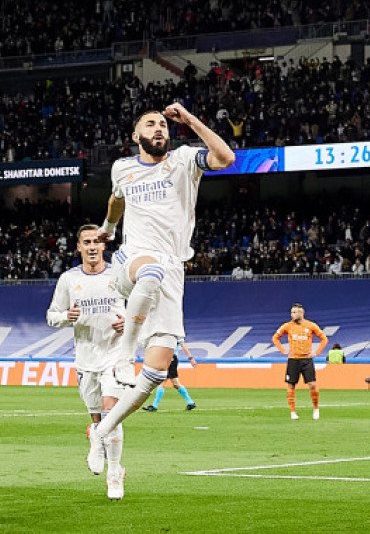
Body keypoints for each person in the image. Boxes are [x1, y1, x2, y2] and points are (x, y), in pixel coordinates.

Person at [87, 102, 234, 476]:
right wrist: (107, 228)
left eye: (162, 125)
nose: (158, 128)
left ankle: (102, 431)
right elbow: (116, 199)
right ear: (136, 136)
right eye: (149, 124)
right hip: (133, 260)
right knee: (148, 273)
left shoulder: (185, 160)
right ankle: (124, 353)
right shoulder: (123, 167)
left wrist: (191, 121)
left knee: (152, 377)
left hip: (173, 270)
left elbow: (226, 157)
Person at [46, 224, 128, 499]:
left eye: (97, 241)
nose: (92, 246)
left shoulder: (118, 275)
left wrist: (127, 324)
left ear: (104, 245)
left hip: (116, 355)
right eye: (87, 242)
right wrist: (65, 317)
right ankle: (96, 434)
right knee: (97, 415)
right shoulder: (69, 280)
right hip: (85, 358)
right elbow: (51, 315)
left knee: (111, 414)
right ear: (78, 247)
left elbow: (142, 308)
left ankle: (114, 473)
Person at [272, 303, 328, 420]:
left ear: (301, 313)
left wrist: (316, 352)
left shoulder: (311, 325)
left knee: (312, 384)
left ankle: (316, 409)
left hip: (307, 359)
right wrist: (283, 350)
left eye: (294, 312)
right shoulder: (287, 326)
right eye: (291, 312)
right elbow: (275, 338)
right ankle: (293, 412)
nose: (292, 314)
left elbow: (324, 339)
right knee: (291, 385)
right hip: (293, 359)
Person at [142, 341, 197, 411]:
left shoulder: (176, 334)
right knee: (175, 383)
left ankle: (154, 406)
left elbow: (183, 345)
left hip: (171, 359)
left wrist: (190, 358)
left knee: (163, 381)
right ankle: (191, 402)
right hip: (167, 358)